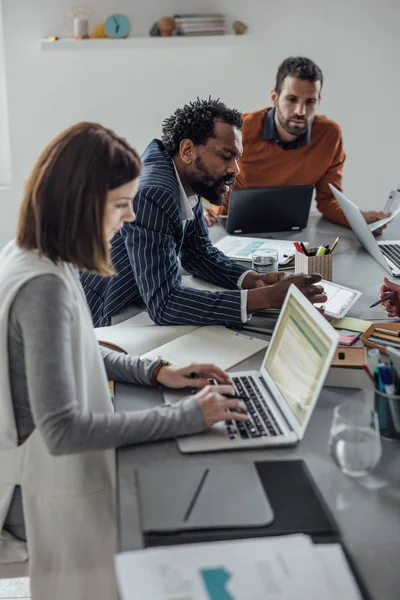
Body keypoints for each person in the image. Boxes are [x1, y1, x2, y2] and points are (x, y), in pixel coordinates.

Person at [0, 122, 250, 600]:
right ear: (80, 204)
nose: (132, 216)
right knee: (193, 503)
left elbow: (71, 346)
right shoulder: (44, 288)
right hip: (36, 492)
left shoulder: (35, 253)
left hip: (37, 467)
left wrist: (154, 371)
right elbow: (65, 431)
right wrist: (184, 416)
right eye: (120, 204)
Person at [81, 98, 327, 327]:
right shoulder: (153, 193)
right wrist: (262, 298)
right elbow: (165, 305)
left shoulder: (184, 174)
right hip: (107, 311)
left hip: (139, 297)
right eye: (225, 156)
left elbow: (197, 252)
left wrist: (253, 280)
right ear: (188, 150)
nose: (236, 169)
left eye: (237, 158)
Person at [206, 57, 388, 230]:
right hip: (228, 228)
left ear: (319, 101)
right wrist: (198, 207)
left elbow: (328, 199)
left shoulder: (329, 135)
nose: (300, 111)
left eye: (310, 102)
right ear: (274, 97)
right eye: (292, 99)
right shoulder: (238, 130)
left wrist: (359, 219)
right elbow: (200, 175)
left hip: (292, 234)